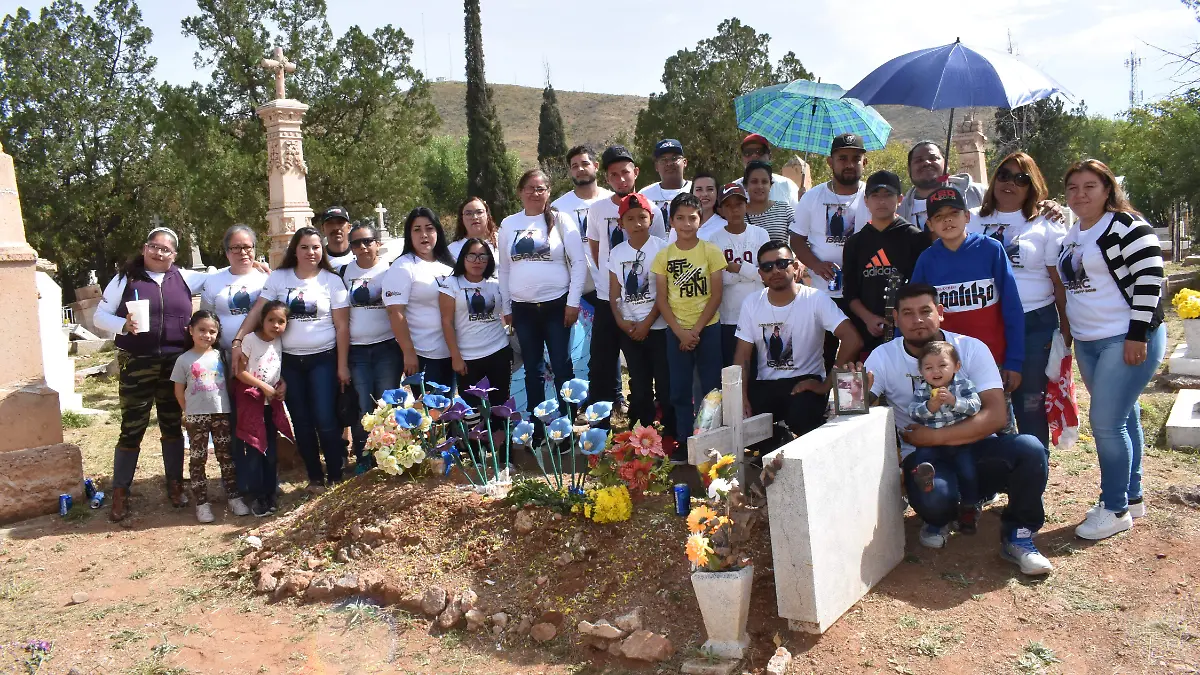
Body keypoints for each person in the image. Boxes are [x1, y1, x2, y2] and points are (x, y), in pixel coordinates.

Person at [862, 283, 1053, 575]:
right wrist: (852, 390)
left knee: (1029, 449)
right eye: (908, 314)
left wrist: (935, 436)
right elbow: (857, 407)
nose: (917, 320)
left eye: (925, 311)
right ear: (896, 319)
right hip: (925, 457)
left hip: (976, 447)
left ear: (940, 313)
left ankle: (1020, 536)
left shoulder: (971, 348)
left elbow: (996, 416)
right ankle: (940, 516)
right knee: (936, 499)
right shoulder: (883, 356)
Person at [1054, 159, 1165, 540]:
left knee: (1105, 422)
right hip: (1089, 341)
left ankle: (1114, 507)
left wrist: (1138, 334)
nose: (1080, 194)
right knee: (1123, 416)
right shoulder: (1073, 233)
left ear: (1107, 189)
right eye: (1072, 188)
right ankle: (1131, 497)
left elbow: (1150, 281)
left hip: (1126, 338)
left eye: (1090, 186)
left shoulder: (1127, 227)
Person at [94, 226, 218, 521]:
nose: (159, 252)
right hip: (137, 361)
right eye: (154, 246)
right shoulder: (126, 278)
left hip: (174, 364)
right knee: (132, 426)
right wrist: (123, 325)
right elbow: (101, 316)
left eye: (166, 249)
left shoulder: (184, 277)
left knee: (172, 425)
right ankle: (120, 492)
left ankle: (175, 484)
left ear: (174, 255)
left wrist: (253, 264)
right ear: (144, 248)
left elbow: (221, 276)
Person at [233, 227, 350, 492]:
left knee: (325, 417)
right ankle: (314, 477)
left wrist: (342, 365)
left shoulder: (331, 281)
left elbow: (342, 327)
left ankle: (335, 473)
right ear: (294, 250)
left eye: (316, 247)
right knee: (301, 420)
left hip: (323, 358)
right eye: (305, 247)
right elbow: (258, 311)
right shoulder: (280, 278)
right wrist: (239, 339)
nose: (311, 252)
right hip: (288, 362)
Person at [969, 153, 1068, 448]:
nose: (1010, 183)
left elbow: (1058, 281)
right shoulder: (971, 219)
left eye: (1020, 178)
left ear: (1032, 186)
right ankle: (993, 474)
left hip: (1034, 321)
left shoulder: (1047, 223)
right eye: (1003, 175)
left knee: (1030, 402)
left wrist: (1067, 328)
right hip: (986, 322)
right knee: (985, 397)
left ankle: (1032, 476)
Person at [734, 240, 861, 443]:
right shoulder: (751, 303)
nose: (775, 270)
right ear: (761, 275)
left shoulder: (816, 299)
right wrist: (740, 398)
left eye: (782, 263)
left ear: (795, 267)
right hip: (766, 384)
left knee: (802, 420)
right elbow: (742, 356)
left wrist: (826, 385)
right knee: (745, 427)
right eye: (767, 267)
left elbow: (852, 339)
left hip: (806, 381)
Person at [911, 186, 1024, 400]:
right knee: (954, 420)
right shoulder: (927, 259)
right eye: (939, 216)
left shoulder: (991, 249)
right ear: (930, 224)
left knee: (998, 421)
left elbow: (1012, 308)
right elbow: (913, 309)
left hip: (992, 357)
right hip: (946, 363)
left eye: (954, 213)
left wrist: (1014, 361)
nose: (947, 221)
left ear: (967, 216)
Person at [499, 168, 588, 413]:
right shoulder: (509, 224)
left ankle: (567, 420)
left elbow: (579, 263)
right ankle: (538, 426)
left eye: (541, 188)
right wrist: (507, 307)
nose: (535, 193)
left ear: (548, 192)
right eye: (529, 188)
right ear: (520, 192)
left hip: (557, 306)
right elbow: (504, 269)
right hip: (523, 309)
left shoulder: (561, 220)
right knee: (532, 368)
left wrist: (572, 302)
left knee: (561, 365)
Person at [586, 146, 667, 410]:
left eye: (625, 172)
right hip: (608, 295)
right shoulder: (597, 210)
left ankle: (651, 410)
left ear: (636, 172)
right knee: (602, 359)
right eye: (614, 175)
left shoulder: (651, 209)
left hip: (649, 304)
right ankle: (602, 414)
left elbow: (658, 251)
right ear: (606, 178)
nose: (621, 179)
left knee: (649, 364)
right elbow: (597, 249)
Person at [199, 224, 268, 514]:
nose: (242, 252)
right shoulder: (214, 283)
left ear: (255, 248)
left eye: (247, 246)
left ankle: (264, 478)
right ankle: (238, 481)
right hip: (225, 359)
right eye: (236, 248)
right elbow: (205, 320)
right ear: (226, 251)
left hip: (260, 359)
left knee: (260, 416)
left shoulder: (266, 279)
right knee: (231, 418)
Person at [653, 193, 725, 461]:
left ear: (701, 219)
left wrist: (695, 331)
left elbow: (716, 295)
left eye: (692, 218)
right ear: (671, 221)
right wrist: (681, 332)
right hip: (676, 332)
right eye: (680, 218)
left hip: (708, 329)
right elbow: (662, 298)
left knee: (711, 389)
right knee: (680, 389)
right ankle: (684, 441)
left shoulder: (711, 252)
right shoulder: (664, 256)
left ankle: (711, 440)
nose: (686, 223)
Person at [790, 133, 872, 366]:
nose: (849, 164)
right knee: (820, 357)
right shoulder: (813, 197)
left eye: (855, 158)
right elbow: (796, 238)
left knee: (857, 359)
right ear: (830, 161)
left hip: (861, 293)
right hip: (821, 293)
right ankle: (820, 398)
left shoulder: (873, 196)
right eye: (842, 158)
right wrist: (815, 264)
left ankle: (855, 402)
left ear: (864, 162)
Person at [607, 193, 675, 441]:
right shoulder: (617, 253)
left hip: (658, 327)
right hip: (630, 328)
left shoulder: (662, 248)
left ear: (651, 218)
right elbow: (615, 293)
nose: (636, 223)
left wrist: (648, 322)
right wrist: (622, 322)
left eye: (642, 217)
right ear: (621, 224)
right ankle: (640, 434)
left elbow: (664, 292)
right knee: (639, 382)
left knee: (665, 381)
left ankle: (670, 431)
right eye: (630, 218)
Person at [842, 170, 930, 355]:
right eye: (875, 195)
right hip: (867, 334)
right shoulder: (854, 243)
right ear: (866, 201)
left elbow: (924, 288)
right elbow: (850, 293)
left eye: (888, 195)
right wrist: (868, 318)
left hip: (909, 334)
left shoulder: (916, 238)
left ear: (900, 199)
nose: (881, 201)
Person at [342, 222, 402, 471]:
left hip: (387, 348)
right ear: (351, 247)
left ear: (378, 243)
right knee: (363, 407)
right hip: (358, 351)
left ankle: (390, 455)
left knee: (387, 404)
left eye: (368, 241)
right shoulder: (343, 272)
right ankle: (365, 458)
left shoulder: (391, 271)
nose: (363, 246)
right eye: (356, 243)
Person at [907, 341, 984, 534]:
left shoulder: (963, 385)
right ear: (921, 372)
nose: (936, 371)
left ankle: (969, 507)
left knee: (968, 472)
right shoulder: (923, 390)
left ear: (956, 366)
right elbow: (913, 412)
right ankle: (924, 477)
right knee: (923, 455)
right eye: (929, 367)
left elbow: (975, 406)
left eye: (942, 365)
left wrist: (954, 401)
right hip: (932, 444)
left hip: (960, 442)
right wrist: (929, 407)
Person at [171, 310, 239, 523]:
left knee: (225, 455)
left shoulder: (221, 356)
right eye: (202, 330)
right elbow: (178, 390)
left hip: (221, 413)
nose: (207, 335)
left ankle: (234, 496)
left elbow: (228, 383)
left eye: (212, 331)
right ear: (190, 331)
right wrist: (188, 410)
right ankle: (201, 502)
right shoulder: (183, 360)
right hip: (196, 416)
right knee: (198, 459)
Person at [384, 208, 456, 387]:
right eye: (417, 229)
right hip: (424, 354)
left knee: (451, 412)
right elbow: (395, 312)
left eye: (429, 228)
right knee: (429, 412)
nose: (424, 235)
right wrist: (408, 352)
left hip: (452, 352)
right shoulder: (404, 266)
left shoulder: (448, 265)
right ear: (409, 235)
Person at [440, 238, 511, 410]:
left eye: (482, 256)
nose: (477, 261)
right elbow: (447, 322)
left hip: (498, 352)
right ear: (463, 258)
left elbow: (508, 314)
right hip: (468, 358)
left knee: (500, 410)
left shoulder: (496, 284)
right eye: (472, 255)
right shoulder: (451, 284)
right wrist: (456, 356)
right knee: (473, 414)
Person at [234, 300, 290, 517]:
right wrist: (264, 386)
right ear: (262, 320)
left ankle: (270, 491)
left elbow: (276, 369)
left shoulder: (279, 342)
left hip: (270, 404)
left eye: (281, 322)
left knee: (271, 450)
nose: (276, 325)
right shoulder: (250, 340)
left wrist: (281, 383)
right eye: (271, 320)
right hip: (252, 403)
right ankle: (257, 495)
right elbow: (240, 372)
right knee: (256, 449)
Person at [707, 183, 769, 366]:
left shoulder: (760, 234)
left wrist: (738, 268)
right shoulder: (714, 239)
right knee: (733, 365)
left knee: (759, 365)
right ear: (720, 210)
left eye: (739, 204)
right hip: (729, 314)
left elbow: (765, 275)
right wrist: (750, 271)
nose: (734, 210)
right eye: (728, 206)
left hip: (758, 310)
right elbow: (719, 279)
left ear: (746, 206)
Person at [899, 141, 987, 231]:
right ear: (909, 169)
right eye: (919, 160)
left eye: (933, 158)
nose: (926, 163)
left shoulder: (979, 194)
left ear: (946, 164)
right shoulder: (898, 210)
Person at [735, 133, 800, 208]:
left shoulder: (787, 186)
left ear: (769, 156)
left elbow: (798, 217)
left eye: (759, 151)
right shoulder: (734, 189)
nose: (754, 155)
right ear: (742, 158)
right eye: (748, 152)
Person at [742, 160, 796, 243]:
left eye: (764, 182)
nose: (760, 186)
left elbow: (801, 236)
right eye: (754, 182)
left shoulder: (784, 209)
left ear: (770, 185)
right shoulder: (738, 213)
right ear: (745, 186)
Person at [640, 138, 692, 224]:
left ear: (685, 162)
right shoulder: (645, 194)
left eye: (674, 158)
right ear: (656, 166)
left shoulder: (696, 189)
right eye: (663, 160)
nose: (669, 163)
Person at [690, 172, 728, 241]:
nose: (704, 194)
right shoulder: (680, 225)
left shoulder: (725, 227)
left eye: (710, 189)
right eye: (699, 189)